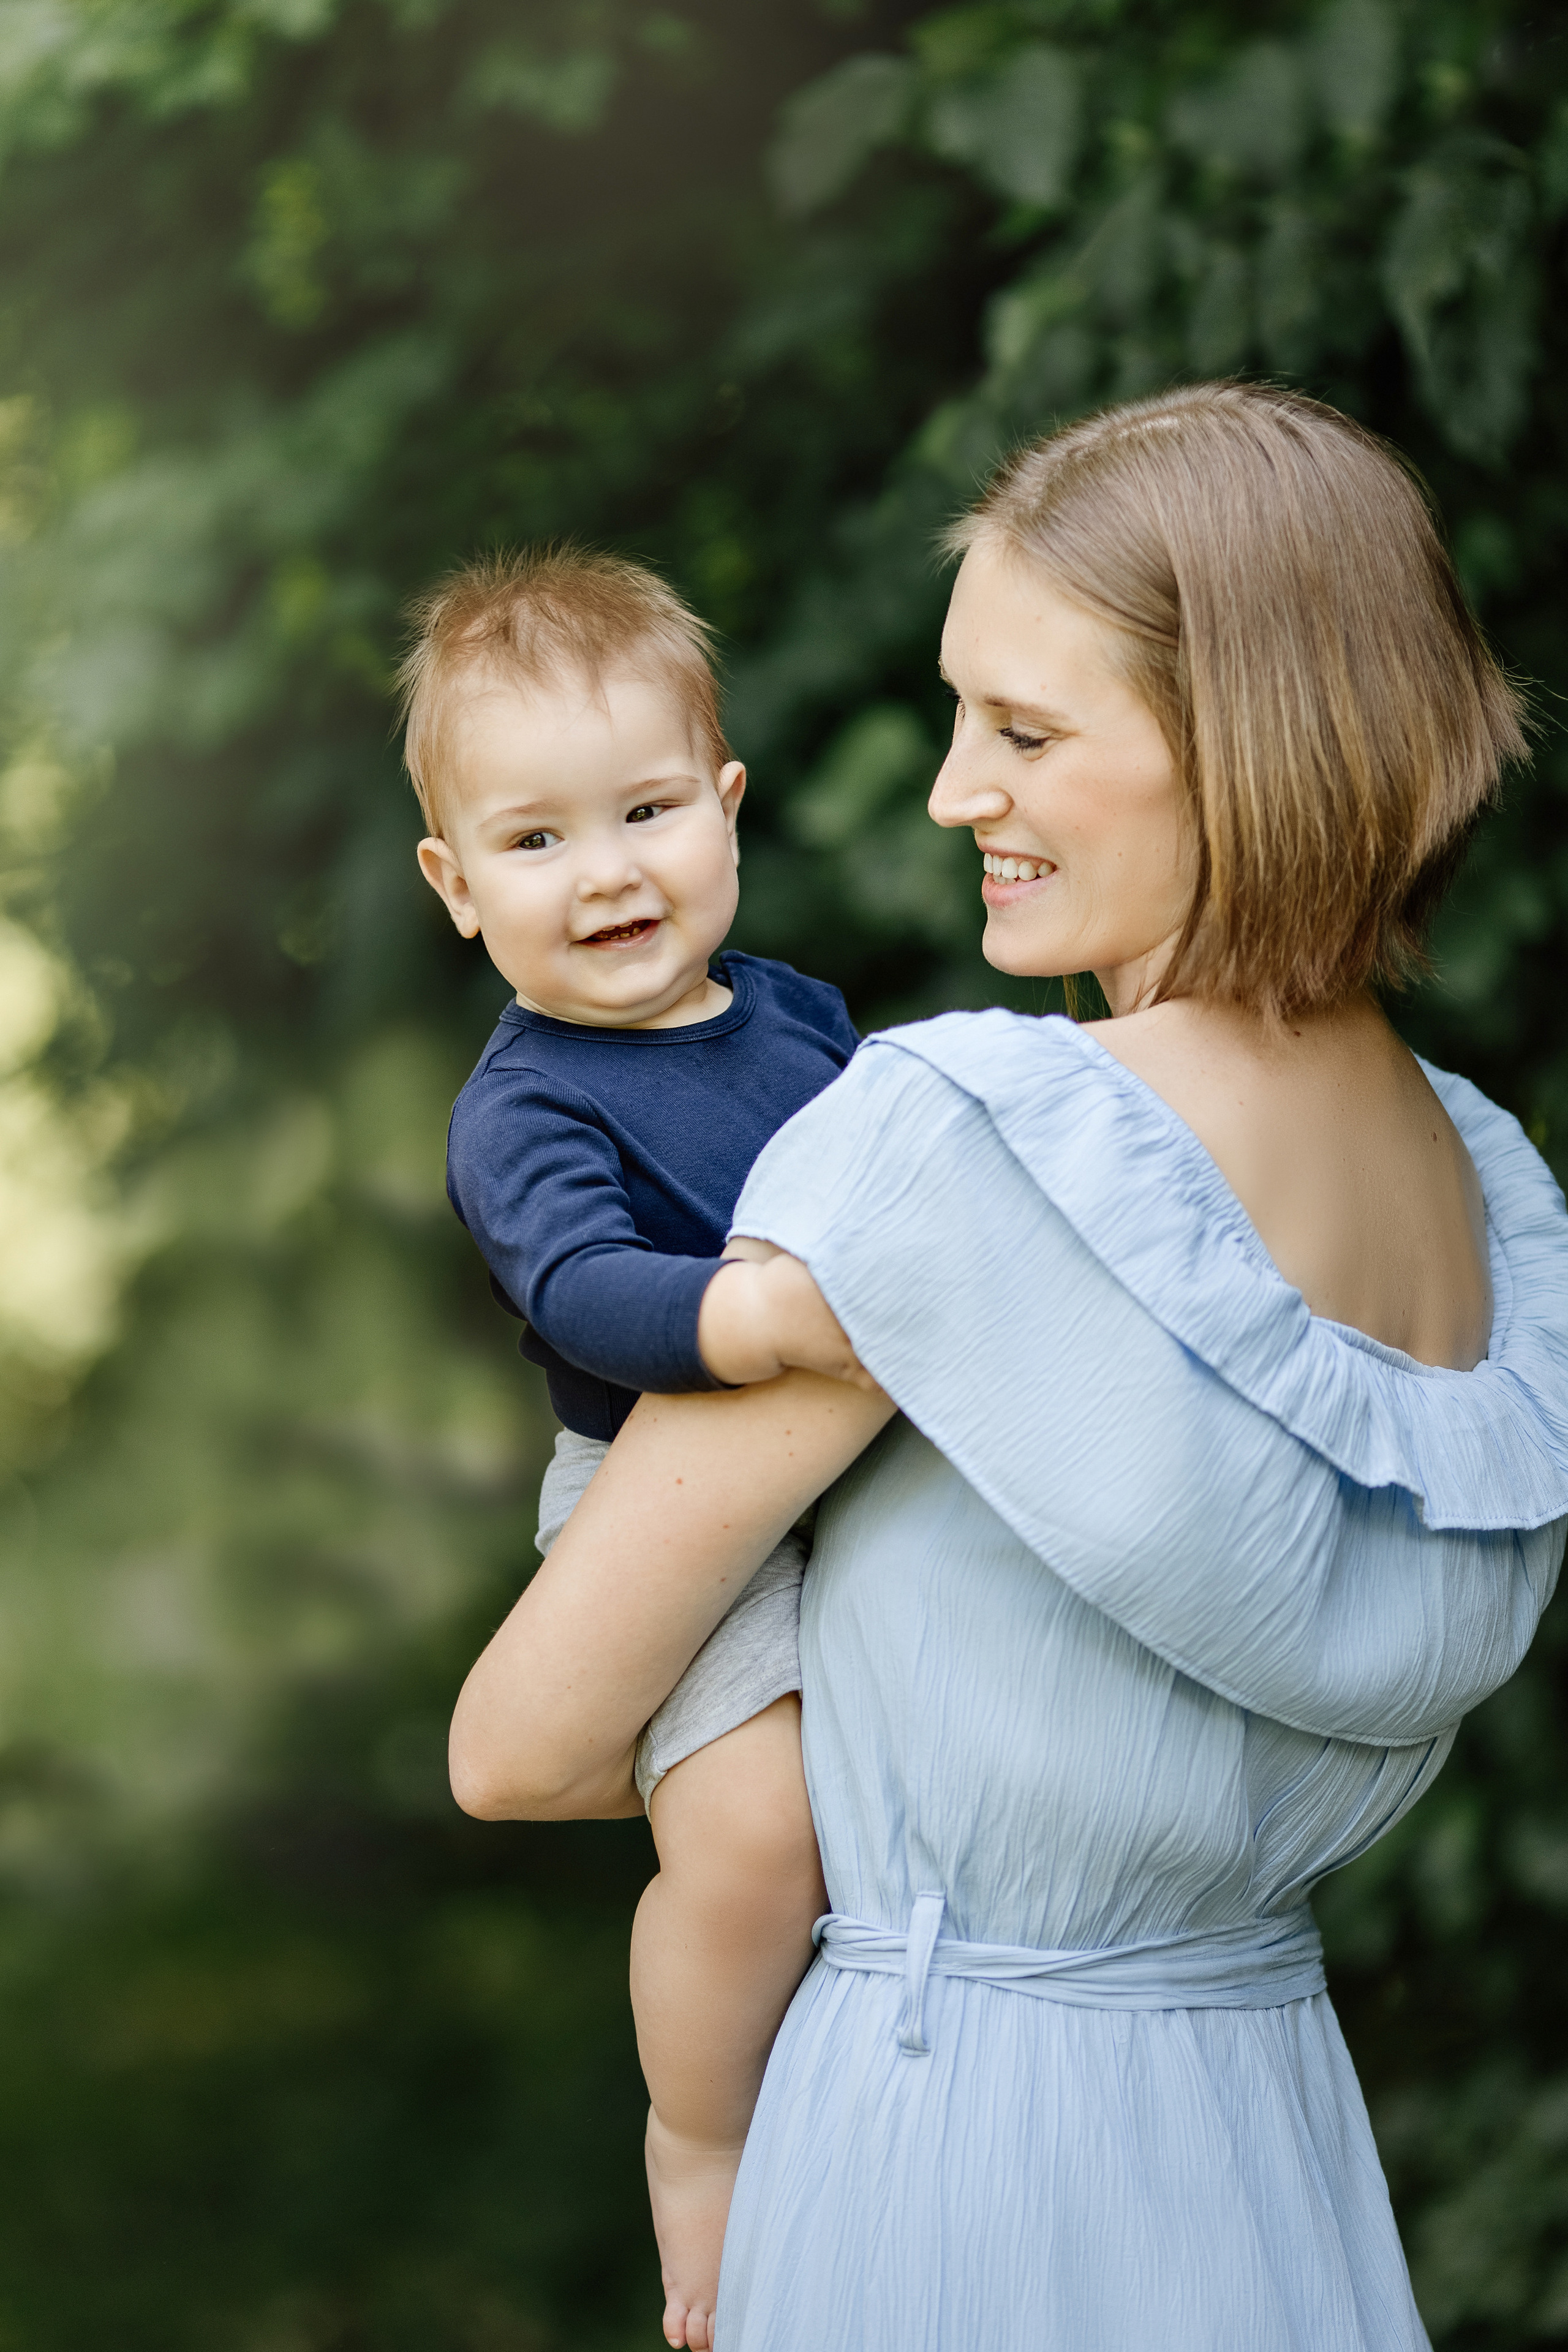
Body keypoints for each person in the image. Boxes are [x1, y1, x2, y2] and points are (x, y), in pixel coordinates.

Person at [447, 386, 1568, 2352]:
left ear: (1246, 745)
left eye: (1027, 733)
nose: (959, 791)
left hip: (944, 2154)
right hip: (1259, 2142)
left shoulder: (976, 1142)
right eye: (964, 716)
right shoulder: (1491, 1192)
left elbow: (523, 1746)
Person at [402, 546, 875, 2345]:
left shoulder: (800, 1018)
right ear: (456, 887)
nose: (604, 873)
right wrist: (746, 1318)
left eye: (647, 811)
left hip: (844, 1471)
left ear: (726, 810)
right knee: (756, 1834)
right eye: (533, 842)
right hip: (661, 1496)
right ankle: (702, 2134)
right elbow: (584, 1289)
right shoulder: (526, 1105)